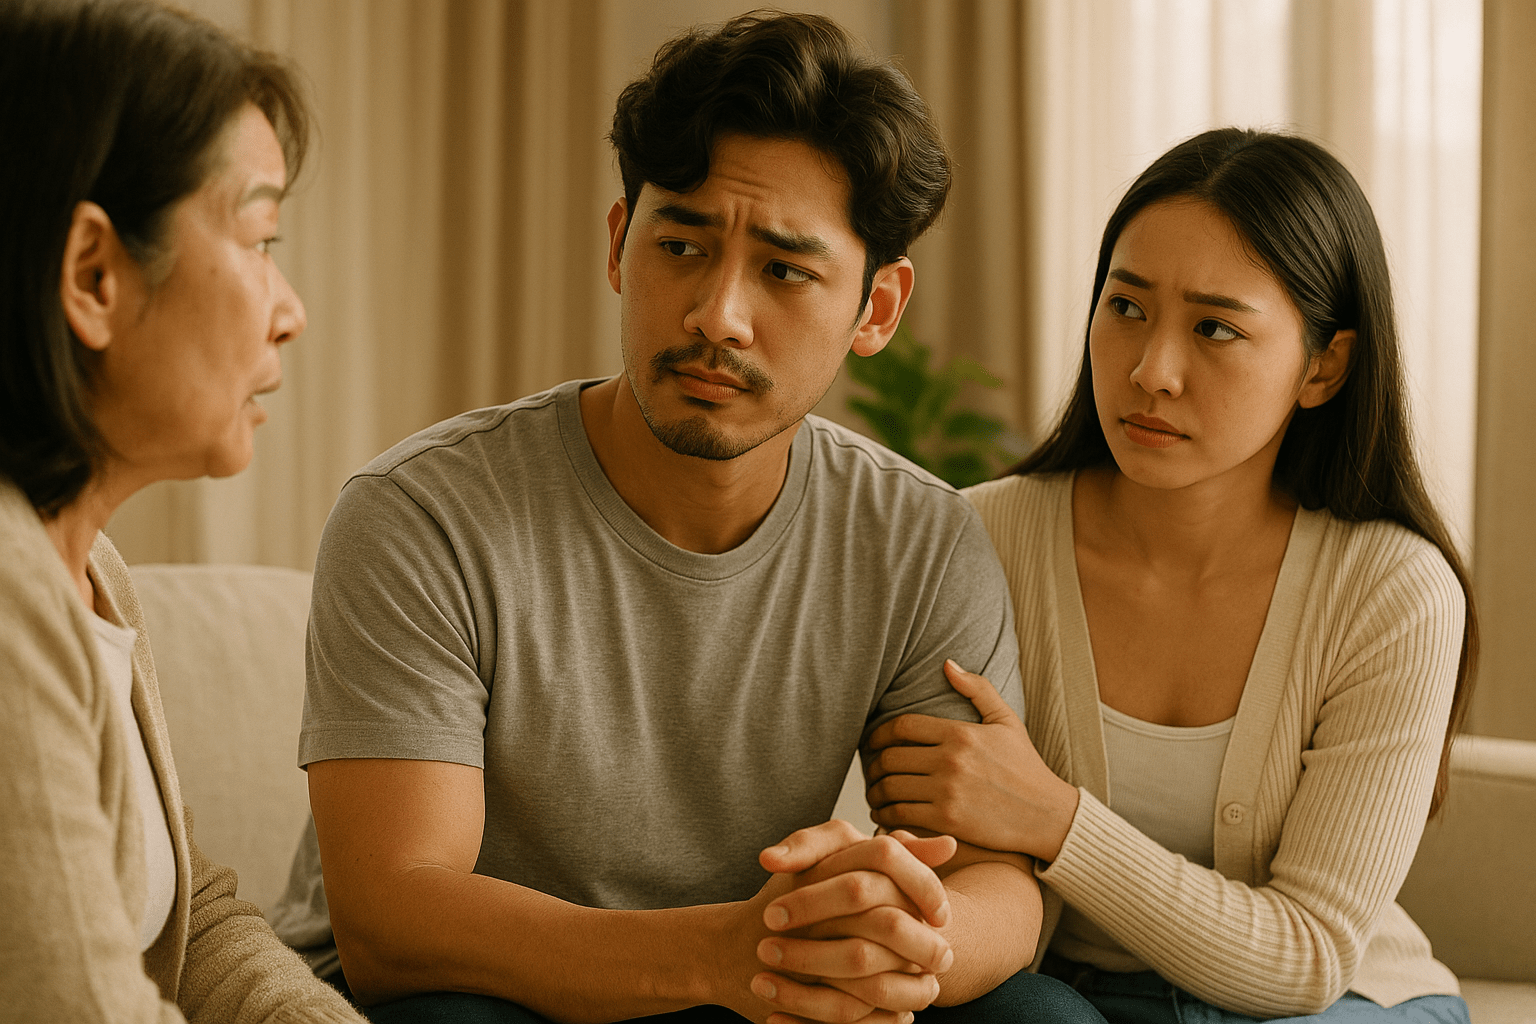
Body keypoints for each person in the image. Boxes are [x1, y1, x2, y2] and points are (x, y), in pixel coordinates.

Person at [288, 11, 1107, 1024]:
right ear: (621, 246)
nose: (717, 314)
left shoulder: (917, 538)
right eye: (681, 243)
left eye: (785, 270)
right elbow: (394, 919)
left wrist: (902, 939)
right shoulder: (425, 515)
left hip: (740, 989)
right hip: (488, 993)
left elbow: (1001, 886)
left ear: (878, 309)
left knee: (1040, 1019)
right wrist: (731, 955)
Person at [863, 128, 1476, 1023]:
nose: (1152, 371)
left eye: (1216, 328)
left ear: (1323, 365)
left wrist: (1054, 818)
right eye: (1126, 307)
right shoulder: (979, 539)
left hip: (1337, 1004)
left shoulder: (1393, 592)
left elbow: (1306, 957)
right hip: (1069, 997)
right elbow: (945, 859)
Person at [0, 1, 365, 1021]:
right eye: (259, 238)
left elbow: (192, 915)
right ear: (93, 275)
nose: (288, 310)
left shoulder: (87, 570)